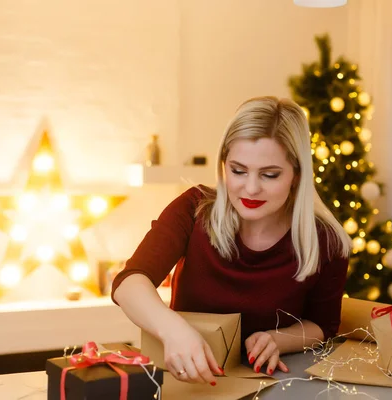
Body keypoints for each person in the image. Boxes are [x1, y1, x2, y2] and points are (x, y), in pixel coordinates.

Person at [112, 96, 351, 386]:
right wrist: (174, 330)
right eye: (238, 170)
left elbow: (323, 325)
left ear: (297, 176)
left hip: (272, 387)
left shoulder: (327, 241)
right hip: (190, 385)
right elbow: (129, 283)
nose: (250, 188)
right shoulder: (193, 209)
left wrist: (279, 339)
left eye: (270, 175)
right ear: (223, 165)